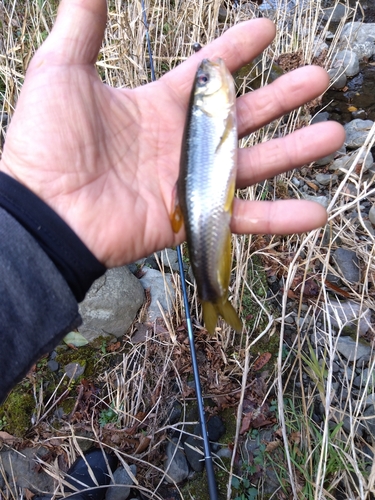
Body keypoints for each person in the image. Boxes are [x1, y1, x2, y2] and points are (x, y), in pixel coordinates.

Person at [0, 0, 345, 403]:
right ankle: (214, 295)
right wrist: (34, 217)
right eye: (204, 84)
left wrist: (35, 225)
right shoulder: (210, 109)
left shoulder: (215, 108)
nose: (210, 78)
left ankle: (212, 295)